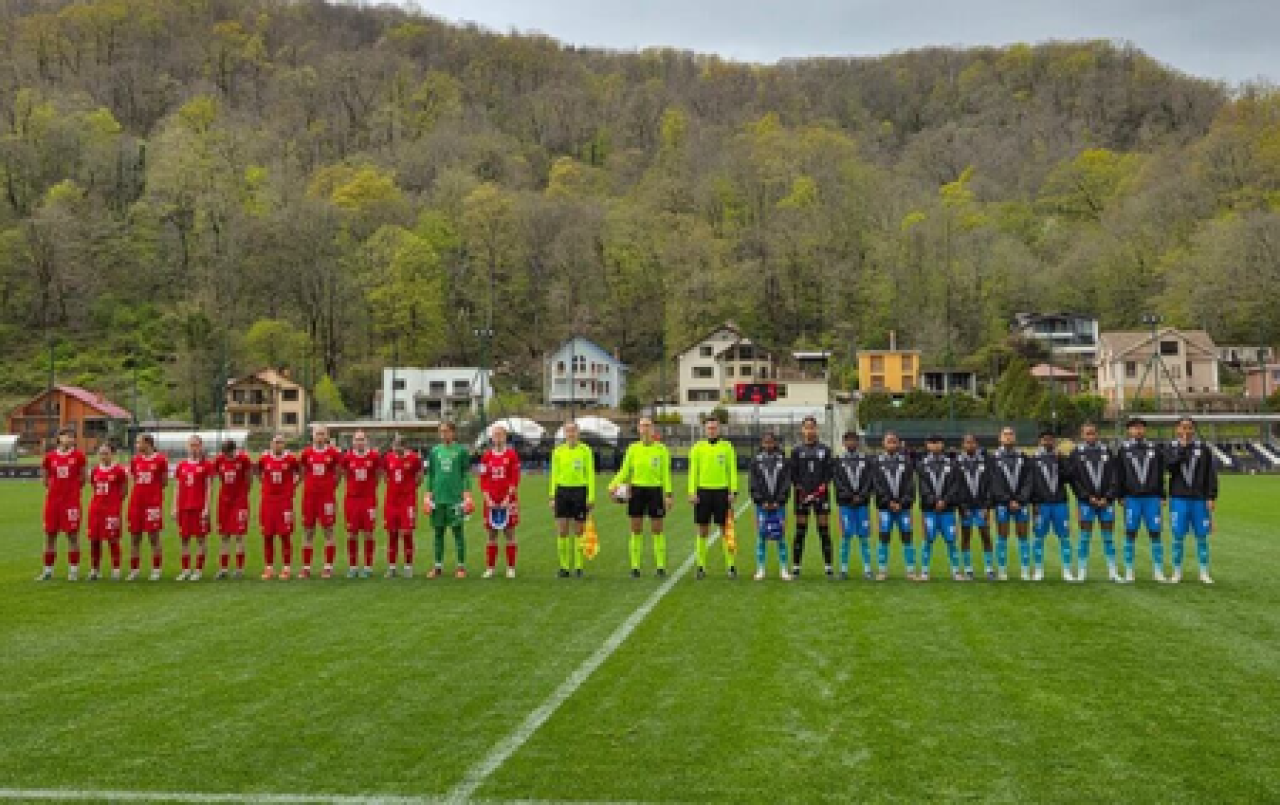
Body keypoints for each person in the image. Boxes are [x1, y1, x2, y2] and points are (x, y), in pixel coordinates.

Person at [608, 417, 673, 578]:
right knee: (636, 528)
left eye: (648, 426)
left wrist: (668, 494)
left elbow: (666, 474)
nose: (645, 429)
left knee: (657, 529)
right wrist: (612, 486)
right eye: (642, 426)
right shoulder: (633, 449)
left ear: (653, 429)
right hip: (636, 491)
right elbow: (624, 471)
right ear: (638, 429)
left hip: (655, 491)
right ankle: (635, 567)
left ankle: (660, 567)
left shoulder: (661, 449)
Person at [1167, 416, 1218, 584]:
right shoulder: (1171, 447)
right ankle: (1177, 571)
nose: (1186, 431)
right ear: (1177, 430)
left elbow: (1211, 474)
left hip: (1199, 499)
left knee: (1202, 536)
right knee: (1178, 537)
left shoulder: (1203, 449)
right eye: (1183, 428)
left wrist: (1211, 496)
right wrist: (1182, 448)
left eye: (1189, 428)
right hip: (1178, 499)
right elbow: (1170, 467)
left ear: (1193, 430)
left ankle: (1203, 572)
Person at [1115, 417, 1167, 583]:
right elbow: (1119, 474)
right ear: (1129, 431)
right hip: (1132, 498)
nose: (1138, 430)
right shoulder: (1123, 450)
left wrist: (1162, 494)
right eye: (1134, 428)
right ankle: (1129, 571)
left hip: (1152, 498)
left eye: (1141, 428)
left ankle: (1158, 571)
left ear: (1145, 430)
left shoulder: (1155, 448)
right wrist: (1120, 495)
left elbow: (1160, 474)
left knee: (1155, 534)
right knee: (1131, 533)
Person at [1068, 422, 1120, 583]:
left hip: (1106, 502)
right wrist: (1086, 496)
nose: (1090, 436)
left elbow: (1114, 476)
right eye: (1087, 433)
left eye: (1093, 433)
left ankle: (1113, 572)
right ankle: (1082, 571)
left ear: (1097, 434)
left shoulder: (1106, 451)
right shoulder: (1076, 453)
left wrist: (1108, 497)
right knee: (1084, 537)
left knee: (1108, 538)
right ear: (1082, 435)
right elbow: (1073, 479)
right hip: (1086, 502)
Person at [688, 416, 739, 580]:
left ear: (719, 429)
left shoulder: (727, 447)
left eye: (715, 427)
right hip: (703, 493)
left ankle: (731, 566)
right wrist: (692, 492)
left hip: (722, 492)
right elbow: (693, 472)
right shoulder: (697, 448)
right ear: (705, 429)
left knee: (726, 530)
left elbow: (732, 470)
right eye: (709, 428)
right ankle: (701, 566)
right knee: (703, 530)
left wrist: (733, 491)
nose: (712, 430)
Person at [425, 422, 474, 579]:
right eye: (441, 432)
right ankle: (437, 567)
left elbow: (466, 474)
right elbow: (431, 474)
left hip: (455, 498)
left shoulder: (461, 451)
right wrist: (428, 493)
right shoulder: (434, 451)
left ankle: (461, 567)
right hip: (438, 498)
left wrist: (467, 493)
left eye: (446, 431)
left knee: (458, 533)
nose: (443, 434)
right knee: (438, 533)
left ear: (453, 432)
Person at [38, 427, 87, 582]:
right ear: (59, 438)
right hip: (53, 502)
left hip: (71, 502)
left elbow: (83, 479)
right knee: (50, 536)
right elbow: (45, 479)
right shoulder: (50, 457)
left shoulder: (79, 456)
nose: (69, 439)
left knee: (72, 536)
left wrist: (70, 492)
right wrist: (55, 491)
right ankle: (47, 571)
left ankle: (73, 571)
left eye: (72, 437)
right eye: (66, 436)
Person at [789, 415, 834, 578]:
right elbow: (793, 475)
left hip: (821, 496)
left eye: (812, 427)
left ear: (817, 429)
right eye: (806, 427)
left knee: (824, 531)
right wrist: (802, 491)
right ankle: (796, 567)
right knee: (800, 532)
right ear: (802, 430)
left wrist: (821, 489)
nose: (809, 430)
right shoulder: (796, 451)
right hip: (802, 496)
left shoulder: (825, 450)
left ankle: (828, 567)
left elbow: (830, 474)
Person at [550, 422, 595, 578]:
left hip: (580, 491)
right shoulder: (558, 452)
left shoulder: (586, 451)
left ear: (578, 433)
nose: (571, 434)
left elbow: (590, 474)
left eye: (573, 431)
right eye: (568, 431)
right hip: (562, 492)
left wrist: (590, 496)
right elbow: (554, 475)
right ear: (564, 433)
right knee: (562, 530)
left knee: (579, 530)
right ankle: (564, 567)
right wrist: (552, 496)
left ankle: (578, 567)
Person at [989, 426, 1033, 581]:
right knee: (1002, 536)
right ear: (999, 438)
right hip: (1002, 503)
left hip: (1021, 503)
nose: (1008, 437)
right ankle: (1002, 571)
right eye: (1005, 434)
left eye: (1011, 434)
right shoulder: (993, 458)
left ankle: (1025, 570)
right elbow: (993, 482)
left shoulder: (1023, 457)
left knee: (1023, 536)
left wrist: (1020, 500)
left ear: (1015, 438)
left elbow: (1028, 481)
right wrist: (1007, 500)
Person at [1029, 430, 1074, 582]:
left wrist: (1061, 460)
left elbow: (1069, 476)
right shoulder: (1034, 459)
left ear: (1054, 442)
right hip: (1041, 504)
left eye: (1050, 440)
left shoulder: (1060, 457)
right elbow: (1031, 483)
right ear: (1040, 441)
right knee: (1038, 538)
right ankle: (1038, 570)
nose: (1048, 442)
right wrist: (1034, 503)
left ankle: (1067, 571)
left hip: (1060, 503)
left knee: (1065, 538)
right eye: (1044, 439)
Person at [916, 435, 962, 582]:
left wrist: (945, 501)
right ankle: (924, 572)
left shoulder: (952, 464)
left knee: (951, 541)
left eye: (938, 443)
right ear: (927, 445)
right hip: (929, 510)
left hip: (947, 510)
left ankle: (956, 572)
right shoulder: (921, 465)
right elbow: (923, 487)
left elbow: (955, 486)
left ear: (943, 445)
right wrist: (934, 501)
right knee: (927, 540)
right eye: (932, 443)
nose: (935, 445)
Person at [299, 424, 343, 579]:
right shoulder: (306, 453)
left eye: (322, 434)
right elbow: (303, 473)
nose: (319, 436)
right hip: (310, 498)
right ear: (312, 435)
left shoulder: (333, 453)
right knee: (308, 531)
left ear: (327, 436)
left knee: (328, 530)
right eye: (317, 433)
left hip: (326, 498)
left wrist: (329, 488)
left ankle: (328, 567)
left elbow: (338, 474)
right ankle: (306, 567)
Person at [871, 432, 916, 581]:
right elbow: (876, 485)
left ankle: (910, 570)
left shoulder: (907, 462)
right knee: (884, 537)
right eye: (888, 441)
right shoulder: (877, 461)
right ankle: (882, 570)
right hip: (885, 508)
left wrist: (902, 503)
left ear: (898, 444)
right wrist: (888, 501)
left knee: (907, 537)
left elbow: (910, 485)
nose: (891, 444)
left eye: (894, 441)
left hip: (903, 508)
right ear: (883, 444)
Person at [479, 424, 522, 579]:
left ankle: (511, 568)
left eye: (500, 435)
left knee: (510, 533)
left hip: (507, 500)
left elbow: (514, 479)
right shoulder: (486, 456)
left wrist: (507, 498)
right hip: (491, 500)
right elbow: (483, 479)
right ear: (491, 437)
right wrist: (487, 498)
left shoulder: (512, 455)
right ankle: (490, 568)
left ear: (505, 437)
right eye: (495, 435)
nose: (497, 437)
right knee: (491, 534)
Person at [749, 432, 792, 581]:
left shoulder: (783, 461)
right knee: (761, 537)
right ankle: (760, 569)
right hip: (762, 506)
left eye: (771, 442)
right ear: (762, 444)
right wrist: (762, 501)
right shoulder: (756, 461)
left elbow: (786, 483)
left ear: (775, 443)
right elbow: (753, 484)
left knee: (781, 537)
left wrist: (779, 501)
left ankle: (784, 569)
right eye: (765, 443)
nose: (768, 445)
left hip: (778, 506)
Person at [258, 434, 301, 581]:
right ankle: (269, 568)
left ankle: (286, 568)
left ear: (284, 444)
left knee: (285, 535)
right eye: (276, 442)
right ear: (271, 444)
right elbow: (258, 472)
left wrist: (292, 487)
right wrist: (265, 486)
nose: (278, 445)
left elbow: (300, 472)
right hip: (268, 502)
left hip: (284, 502)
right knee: (267, 535)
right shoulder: (264, 459)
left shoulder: (291, 459)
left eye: (281, 442)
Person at [832, 431, 874, 580]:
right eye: (848, 441)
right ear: (844, 443)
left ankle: (868, 569)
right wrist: (849, 496)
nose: (851, 443)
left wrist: (861, 496)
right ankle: (843, 570)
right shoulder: (838, 461)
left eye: (853, 440)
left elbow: (870, 480)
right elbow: (837, 482)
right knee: (846, 537)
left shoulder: (866, 460)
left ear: (858, 443)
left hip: (862, 504)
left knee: (864, 537)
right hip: (845, 504)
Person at [127, 433, 168, 582]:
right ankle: (134, 570)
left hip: (153, 504)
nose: (136, 445)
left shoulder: (160, 460)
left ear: (148, 443)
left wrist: (153, 494)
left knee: (153, 537)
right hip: (136, 503)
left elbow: (164, 482)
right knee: (135, 537)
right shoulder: (135, 460)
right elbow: (133, 479)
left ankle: (156, 570)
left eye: (139, 442)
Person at [173, 435, 214, 582]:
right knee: (184, 539)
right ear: (187, 447)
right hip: (184, 507)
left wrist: (207, 508)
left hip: (198, 507)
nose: (193, 448)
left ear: (201, 446)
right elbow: (177, 487)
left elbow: (209, 487)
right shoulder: (182, 465)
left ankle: (198, 570)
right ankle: (185, 570)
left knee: (201, 539)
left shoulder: (207, 465)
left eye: (196, 445)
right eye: (191, 445)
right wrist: (174, 507)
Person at [340, 430, 380, 579]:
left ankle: (368, 566)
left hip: (369, 500)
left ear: (366, 441)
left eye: (362, 439)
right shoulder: (347, 457)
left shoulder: (374, 456)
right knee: (352, 534)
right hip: (352, 500)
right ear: (353, 442)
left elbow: (378, 476)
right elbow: (344, 473)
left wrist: (368, 490)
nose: (359, 442)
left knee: (369, 533)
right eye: (357, 439)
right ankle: (353, 566)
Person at [955, 434, 995, 580]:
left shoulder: (985, 460)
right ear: (963, 445)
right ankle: (968, 569)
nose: (970, 445)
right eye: (967, 443)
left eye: (972, 442)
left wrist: (987, 506)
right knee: (966, 536)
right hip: (965, 507)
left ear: (976, 444)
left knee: (985, 535)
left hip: (982, 506)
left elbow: (990, 484)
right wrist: (961, 506)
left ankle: (989, 569)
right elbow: (956, 486)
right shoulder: (957, 462)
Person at [382, 435, 423, 578]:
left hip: (407, 501)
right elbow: (385, 476)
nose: (394, 447)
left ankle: (408, 566)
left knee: (407, 533)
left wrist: (408, 490)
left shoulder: (414, 459)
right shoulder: (388, 458)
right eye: (394, 445)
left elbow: (419, 477)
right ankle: (392, 567)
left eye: (397, 445)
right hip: (392, 501)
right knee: (392, 533)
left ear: (403, 446)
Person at [86, 443, 128, 581]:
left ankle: (116, 570)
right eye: (101, 453)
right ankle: (95, 570)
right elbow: (93, 486)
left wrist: (114, 504)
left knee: (112, 539)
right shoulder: (95, 470)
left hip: (111, 510)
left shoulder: (119, 471)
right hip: (96, 509)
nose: (103, 456)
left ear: (112, 454)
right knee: (94, 540)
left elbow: (124, 491)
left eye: (106, 453)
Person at [214, 439, 253, 580]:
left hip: (239, 501)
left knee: (239, 534)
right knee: (224, 535)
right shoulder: (219, 459)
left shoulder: (244, 459)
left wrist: (242, 496)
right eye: (224, 454)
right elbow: (220, 477)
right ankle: (223, 569)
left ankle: (239, 569)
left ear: (233, 450)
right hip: (224, 502)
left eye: (228, 454)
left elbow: (249, 480)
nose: (226, 457)